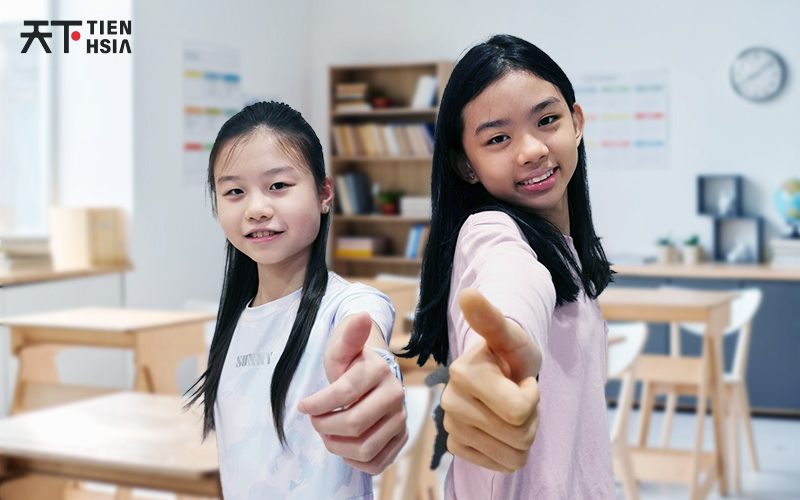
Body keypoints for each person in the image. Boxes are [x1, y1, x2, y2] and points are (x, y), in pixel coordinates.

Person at [402, 34, 615, 499]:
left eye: (547, 120)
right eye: (498, 138)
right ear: (466, 165)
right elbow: (509, 285)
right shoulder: (491, 233)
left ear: (576, 122)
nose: (532, 150)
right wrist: (497, 352)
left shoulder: (568, 252)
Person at [188, 101, 408, 499]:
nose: (257, 209)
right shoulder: (230, 324)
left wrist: (377, 384)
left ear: (324, 193)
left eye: (278, 186)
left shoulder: (348, 304)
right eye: (234, 191)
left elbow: (371, 349)